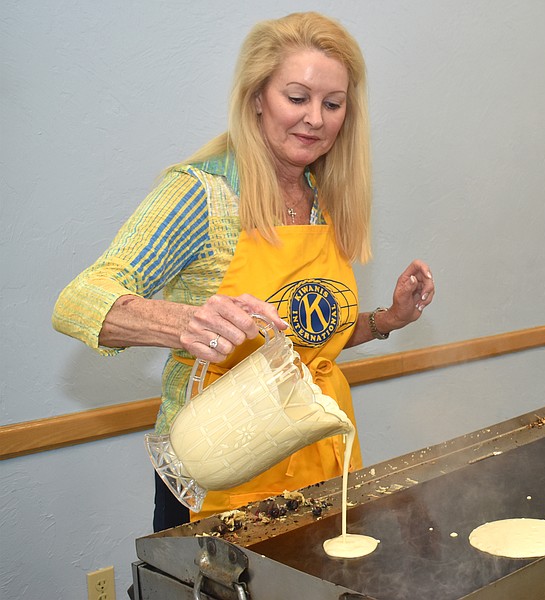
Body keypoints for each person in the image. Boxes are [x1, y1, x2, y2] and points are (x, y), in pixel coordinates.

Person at [52, 12, 435, 531]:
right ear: (257, 97)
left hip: (317, 460)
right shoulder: (203, 195)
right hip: (219, 476)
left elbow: (305, 341)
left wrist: (387, 319)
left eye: (332, 104)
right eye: (296, 98)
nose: (315, 119)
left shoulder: (324, 198)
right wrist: (186, 324)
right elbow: (78, 300)